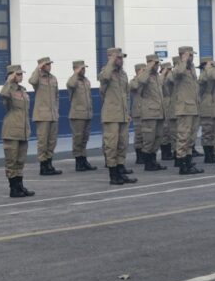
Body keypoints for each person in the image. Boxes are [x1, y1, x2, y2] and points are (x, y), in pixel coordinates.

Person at [98, 48, 137, 185]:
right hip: (111, 115)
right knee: (111, 145)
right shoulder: (106, 72)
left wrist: (127, 112)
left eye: (121, 58)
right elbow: (104, 78)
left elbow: (126, 95)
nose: (121, 60)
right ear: (111, 58)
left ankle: (121, 171)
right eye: (118, 58)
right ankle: (113, 175)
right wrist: (111, 62)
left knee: (122, 144)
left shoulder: (123, 74)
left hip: (122, 115)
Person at [0, 65, 35, 198]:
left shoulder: (22, 90)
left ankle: (20, 186)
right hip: (12, 130)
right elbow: (3, 94)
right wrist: (9, 80)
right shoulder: (8, 89)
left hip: (23, 130)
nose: (20, 76)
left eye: (21, 74)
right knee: (12, 160)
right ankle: (13, 188)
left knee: (20, 160)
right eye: (18, 74)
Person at [171, 47, 203, 175]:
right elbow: (176, 74)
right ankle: (182, 165)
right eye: (190, 55)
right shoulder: (180, 67)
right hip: (184, 109)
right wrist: (183, 60)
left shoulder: (191, 68)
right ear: (183, 55)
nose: (192, 57)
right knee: (183, 137)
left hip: (194, 108)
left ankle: (188, 163)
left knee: (191, 138)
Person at [29, 57, 61, 175]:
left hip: (53, 114)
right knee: (43, 141)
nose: (49, 66)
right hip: (42, 115)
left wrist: (56, 110)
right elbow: (32, 81)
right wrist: (38, 68)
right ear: (42, 66)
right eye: (47, 64)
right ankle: (43, 165)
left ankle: (49, 163)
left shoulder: (53, 78)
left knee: (52, 141)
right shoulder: (38, 78)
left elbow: (57, 96)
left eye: (50, 64)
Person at [136, 55, 167, 171]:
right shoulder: (145, 75)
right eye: (156, 63)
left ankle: (153, 161)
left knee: (158, 138)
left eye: (158, 63)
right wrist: (148, 68)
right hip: (149, 114)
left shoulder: (156, 77)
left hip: (159, 113)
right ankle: (148, 163)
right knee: (149, 139)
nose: (157, 65)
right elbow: (140, 82)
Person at [66, 60, 96, 171]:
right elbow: (70, 84)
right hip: (77, 115)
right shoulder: (73, 80)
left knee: (84, 138)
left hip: (87, 114)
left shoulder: (86, 80)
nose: (84, 70)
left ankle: (84, 159)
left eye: (84, 68)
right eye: (81, 68)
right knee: (78, 139)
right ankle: (78, 161)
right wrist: (76, 73)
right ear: (76, 69)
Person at [198, 56, 215, 163]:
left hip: (214, 106)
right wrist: (207, 69)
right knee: (208, 132)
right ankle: (208, 156)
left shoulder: (211, 75)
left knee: (214, 132)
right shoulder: (203, 75)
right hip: (206, 106)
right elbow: (203, 80)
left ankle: (213, 154)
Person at [160, 61, 176, 163]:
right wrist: (163, 73)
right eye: (168, 69)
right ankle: (165, 153)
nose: (170, 71)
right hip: (164, 104)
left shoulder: (171, 77)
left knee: (172, 130)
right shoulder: (160, 78)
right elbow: (159, 84)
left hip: (172, 103)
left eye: (171, 69)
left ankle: (171, 151)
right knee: (165, 130)